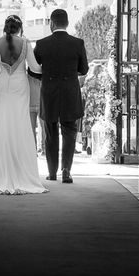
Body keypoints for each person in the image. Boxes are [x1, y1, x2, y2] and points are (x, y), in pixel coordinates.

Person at [0, 15, 47, 194]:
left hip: (2, 88)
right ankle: (22, 173)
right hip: (20, 87)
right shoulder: (25, 43)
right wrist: (50, 67)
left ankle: (2, 174)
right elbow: (35, 68)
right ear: (20, 28)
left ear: (5, 27)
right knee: (20, 127)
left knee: (2, 128)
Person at [34, 9, 89, 184]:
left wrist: (47, 75)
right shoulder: (77, 43)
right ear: (67, 23)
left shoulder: (42, 43)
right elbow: (84, 69)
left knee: (50, 133)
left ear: (51, 23)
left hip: (49, 93)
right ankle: (66, 171)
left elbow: (33, 70)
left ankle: (51, 172)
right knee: (70, 133)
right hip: (70, 93)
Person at [27, 67, 45, 153]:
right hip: (39, 105)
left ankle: (34, 150)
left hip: (34, 105)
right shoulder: (42, 74)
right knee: (43, 128)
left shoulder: (26, 77)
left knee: (32, 129)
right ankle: (43, 149)